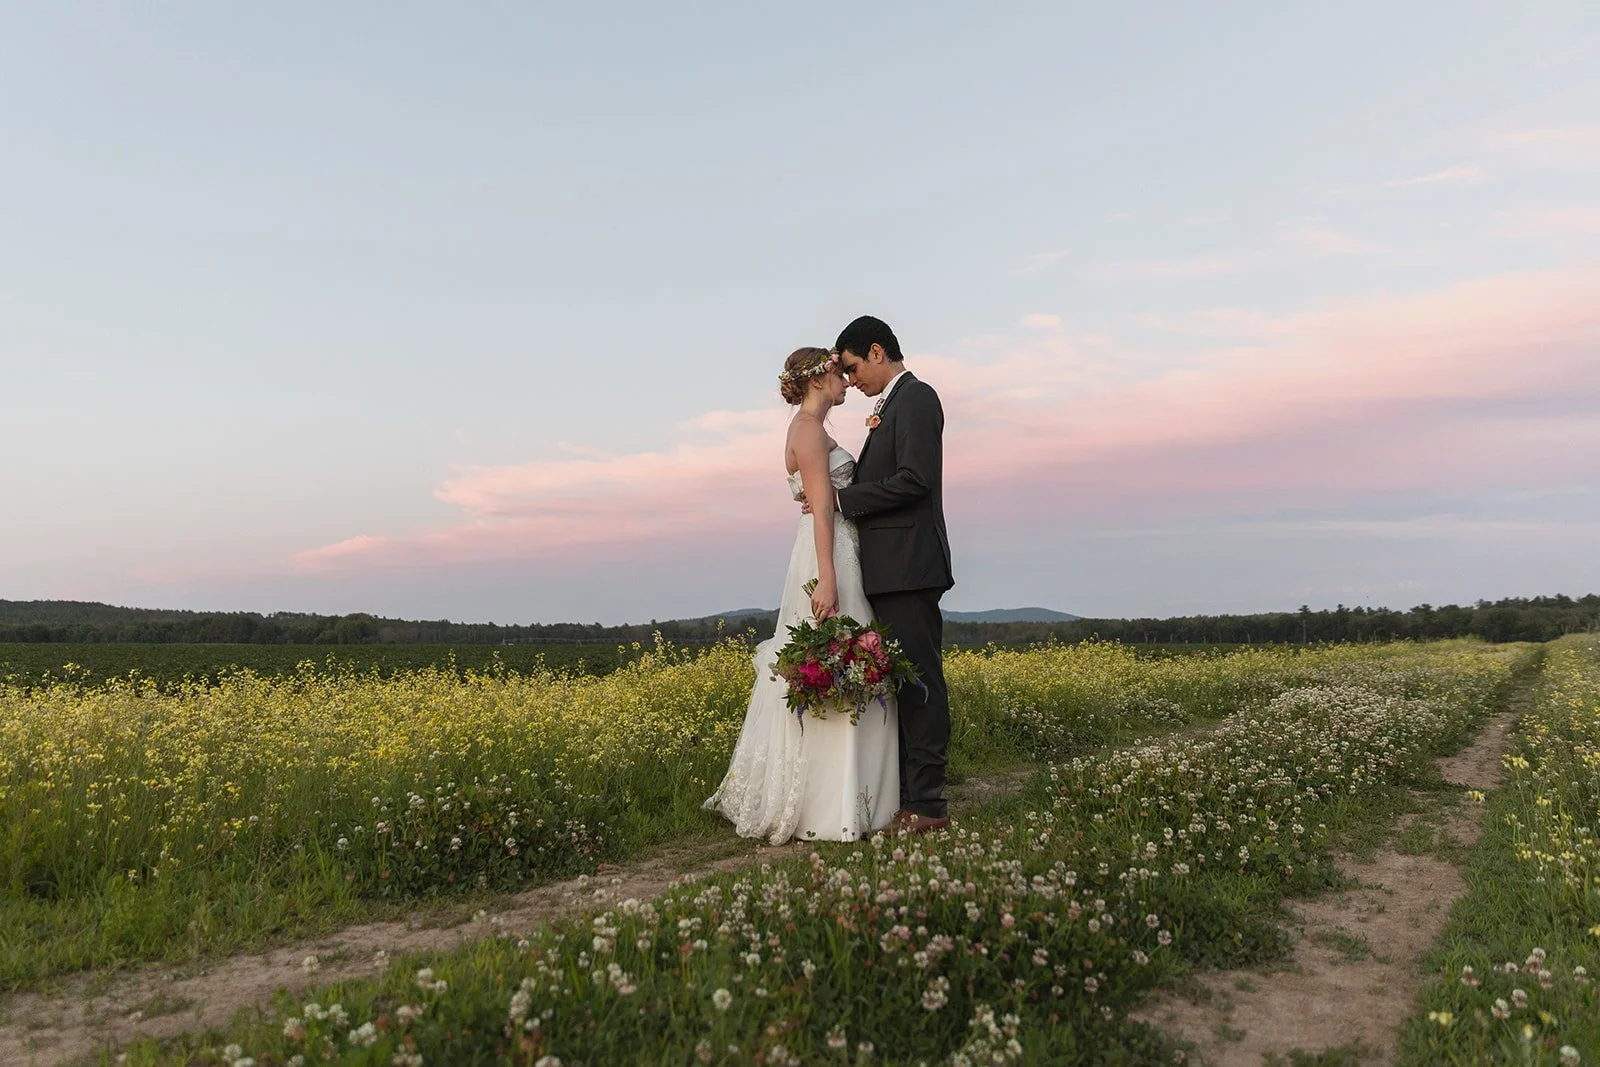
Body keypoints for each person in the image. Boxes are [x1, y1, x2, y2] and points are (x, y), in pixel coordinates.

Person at [703, 347, 900, 843]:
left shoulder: (813, 428)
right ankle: (829, 802)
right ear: (818, 378)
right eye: (840, 373)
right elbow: (821, 509)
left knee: (848, 663)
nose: (847, 382)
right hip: (826, 553)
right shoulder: (808, 432)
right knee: (835, 661)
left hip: (836, 549)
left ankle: (855, 797)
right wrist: (829, 578)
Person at [831, 316, 953, 834]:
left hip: (910, 566)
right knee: (903, 686)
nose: (852, 380)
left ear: (877, 351)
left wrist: (844, 499)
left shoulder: (918, 398)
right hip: (889, 569)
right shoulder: (890, 406)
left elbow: (916, 479)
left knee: (921, 683)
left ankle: (927, 806)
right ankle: (907, 799)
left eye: (854, 367)